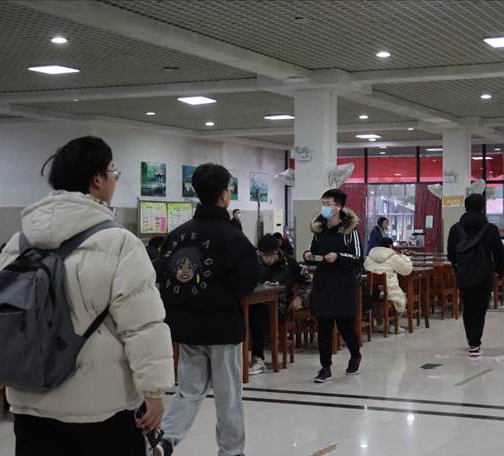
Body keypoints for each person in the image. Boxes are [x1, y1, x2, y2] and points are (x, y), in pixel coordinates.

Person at [0, 136, 174, 455]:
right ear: (97, 179)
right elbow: (142, 326)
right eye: (113, 171)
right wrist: (154, 391)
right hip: (101, 409)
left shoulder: (18, 243)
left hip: (30, 401)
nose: (115, 179)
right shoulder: (120, 243)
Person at [155, 164, 259, 456]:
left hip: (186, 327)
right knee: (228, 396)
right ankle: (231, 451)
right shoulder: (232, 236)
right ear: (225, 194)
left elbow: (164, 278)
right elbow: (247, 282)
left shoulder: (177, 235)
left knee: (189, 390)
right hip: (223, 328)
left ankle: (166, 439)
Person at [304, 188, 363, 383]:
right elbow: (313, 251)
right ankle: (325, 367)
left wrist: (338, 257)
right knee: (324, 327)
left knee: (346, 326)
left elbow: (358, 258)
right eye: (323, 204)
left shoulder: (349, 230)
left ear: (338, 207)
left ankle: (355, 355)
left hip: (343, 284)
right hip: (323, 283)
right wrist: (309, 255)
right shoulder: (319, 230)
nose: (324, 208)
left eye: (328, 204)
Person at [447, 194, 504, 357]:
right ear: (482, 207)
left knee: (467, 308)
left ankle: (471, 341)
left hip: (464, 274)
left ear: (465, 207)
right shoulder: (490, 229)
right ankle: (475, 343)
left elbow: (451, 253)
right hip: (484, 274)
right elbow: (499, 253)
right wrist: (499, 271)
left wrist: (457, 268)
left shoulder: (455, 229)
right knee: (480, 309)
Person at [249, 234, 296, 375]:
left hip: (279, 307)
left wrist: (300, 297)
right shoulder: (254, 263)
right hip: (254, 303)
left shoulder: (289, 262)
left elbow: (308, 280)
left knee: (257, 314)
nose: (267, 259)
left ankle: (257, 359)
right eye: (264, 255)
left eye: (271, 255)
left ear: (277, 251)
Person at [364, 237, 413, 332]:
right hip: (389, 290)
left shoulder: (370, 256)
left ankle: (379, 323)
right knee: (403, 299)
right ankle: (392, 324)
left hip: (371, 291)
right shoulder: (392, 257)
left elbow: (365, 268)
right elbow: (406, 270)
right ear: (390, 246)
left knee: (376, 301)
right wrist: (405, 258)